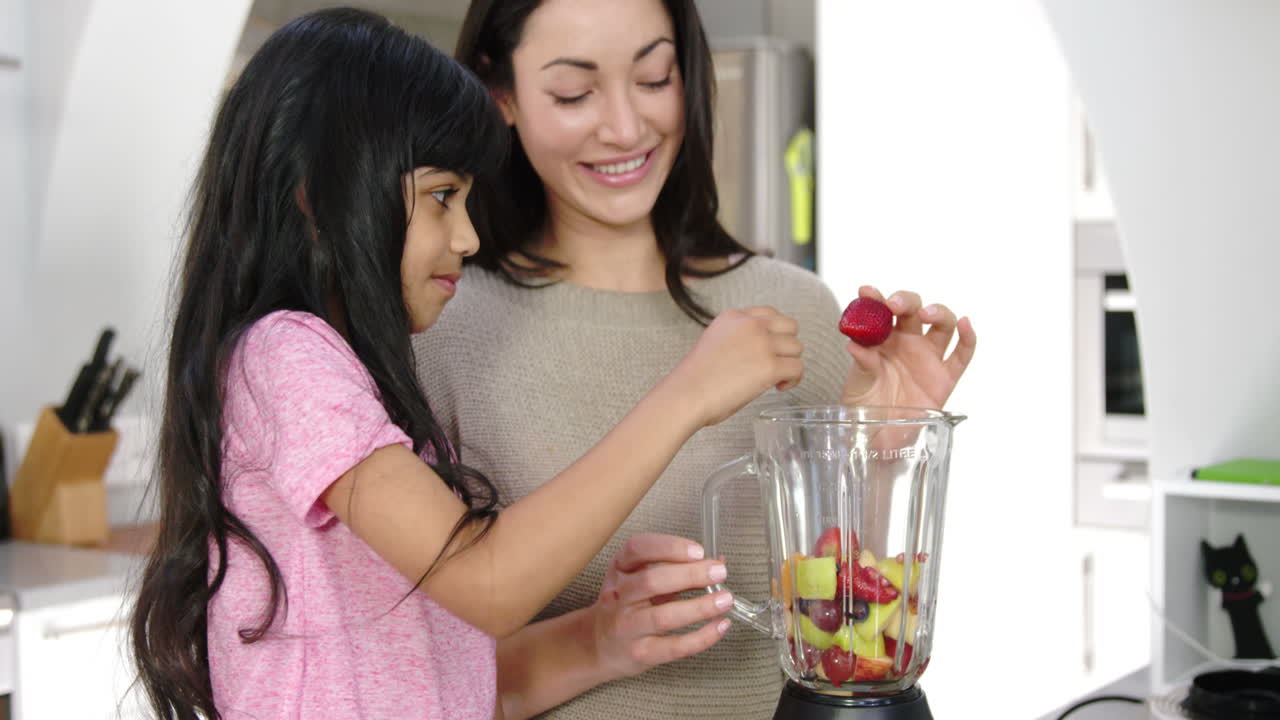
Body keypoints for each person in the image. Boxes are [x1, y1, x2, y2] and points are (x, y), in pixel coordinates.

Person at [127, 8, 805, 720]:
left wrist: (601, 639)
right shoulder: (286, 359)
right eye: (442, 197)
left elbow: (456, 690)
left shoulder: (356, 385)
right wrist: (689, 395)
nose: (469, 236)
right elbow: (489, 583)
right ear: (315, 195)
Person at [412, 0, 978, 718]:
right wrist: (593, 643)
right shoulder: (446, 332)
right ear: (501, 95)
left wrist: (883, 445)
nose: (625, 126)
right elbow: (400, 683)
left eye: (654, 78)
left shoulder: (793, 309)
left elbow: (845, 627)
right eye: (574, 93)